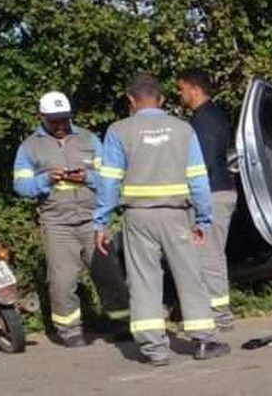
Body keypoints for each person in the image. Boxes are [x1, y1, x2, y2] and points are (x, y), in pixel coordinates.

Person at [94, 73, 229, 366]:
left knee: (143, 281)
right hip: (176, 216)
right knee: (189, 275)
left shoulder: (119, 131)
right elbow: (198, 179)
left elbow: (108, 182)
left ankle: (154, 349)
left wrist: (101, 222)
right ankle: (204, 340)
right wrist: (203, 219)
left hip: (137, 217)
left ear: (131, 100)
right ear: (162, 99)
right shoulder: (183, 130)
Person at [12, 91, 130, 347]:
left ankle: (122, 322)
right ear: (41, 117)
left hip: (92, 219)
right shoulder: (29, 147)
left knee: (108, 273)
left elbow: (109, 179)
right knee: (62, 280)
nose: (60, 126)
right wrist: (45, 180)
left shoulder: (89, 139)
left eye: (64, 119)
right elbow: (21, 186)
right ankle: (70, 330)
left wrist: (86, 177)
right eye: (54, 120)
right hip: (57, 224)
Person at [176, 69, 237, 330]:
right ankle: (211, 308)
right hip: (215, 191)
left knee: (209, 255)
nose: (179, 95)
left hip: (211, 193)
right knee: (206, 253)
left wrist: (196, 198)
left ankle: (219, 314)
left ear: (194, 89)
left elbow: (207, 162)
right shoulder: (210, 116)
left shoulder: (205, 122)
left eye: (181, 89)